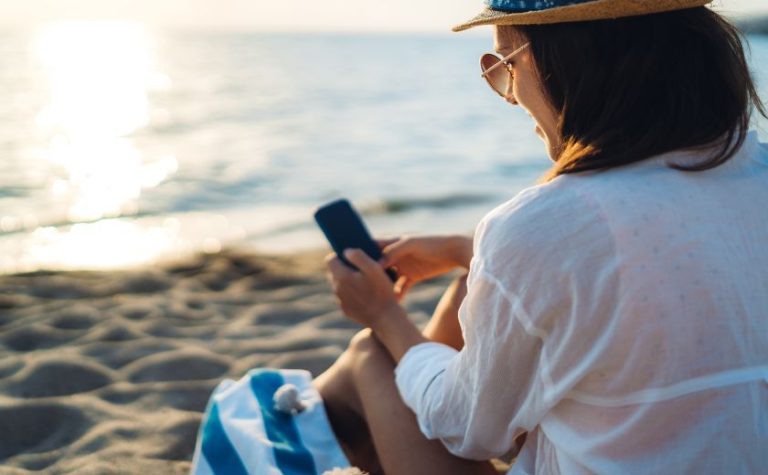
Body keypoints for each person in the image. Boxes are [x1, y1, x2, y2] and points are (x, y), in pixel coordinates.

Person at [315, 0, 768, 473]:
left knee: (371, 354)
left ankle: (295, 427)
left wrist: (383, 314)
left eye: (502, 64)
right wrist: (464, 251)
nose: (509, 96)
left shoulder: (550, 224)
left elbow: (466, 428)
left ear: (571, 61)